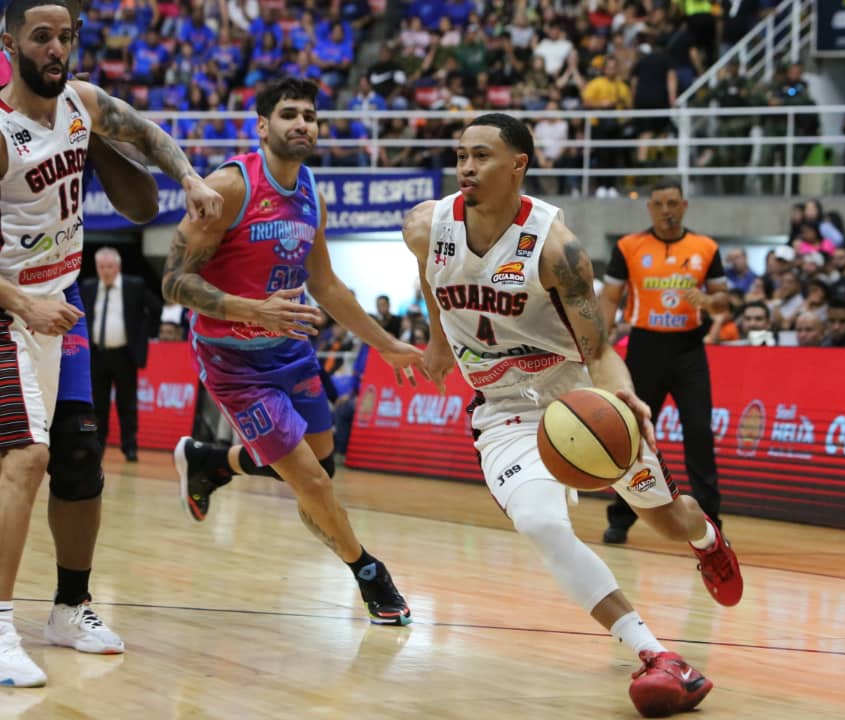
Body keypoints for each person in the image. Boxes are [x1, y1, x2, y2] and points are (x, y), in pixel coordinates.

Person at [403, 113, 742, 718]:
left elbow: (599, 348)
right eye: (460, 156)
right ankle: (659, 656)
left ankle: (707, 539)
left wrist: (628, 400)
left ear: (518, 165)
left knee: (666, 518)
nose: (466, 168)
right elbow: (434, 280)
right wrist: (436, 342)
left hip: (579, 401)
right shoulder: (425, 227)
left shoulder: (556, 249)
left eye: (481, 156)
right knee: (540, 523)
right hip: (504, 413)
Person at [0, 0, 223, 688]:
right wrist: (23, 303)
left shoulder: (82, 104)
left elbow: (149, 135)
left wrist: (188, 176)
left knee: (78, 456)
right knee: (24, 459)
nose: (57, 48)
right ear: (9, 42)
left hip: (57, 305)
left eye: (67, 36)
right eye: (42, 36)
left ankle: (69, 607)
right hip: (9, 308)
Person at [165, 78, 424, 628]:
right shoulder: (230, 187)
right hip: (234, 362)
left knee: (318, 464)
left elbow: (327, 287)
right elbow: (172, 280)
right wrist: (249, 309)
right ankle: (369, 572)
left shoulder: (311, 191)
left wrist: (389, 345)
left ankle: (212, 461)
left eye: (310, 115)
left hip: (291, 350)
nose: (302, 123)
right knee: (313, 483)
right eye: (289, 114)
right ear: (263, 126)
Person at [597, 179, 726, 545]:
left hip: (689, 350)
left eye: (672, 203)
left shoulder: (706, 247)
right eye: (659, 204)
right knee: (633, 435)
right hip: (644, 347)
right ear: (650, 208)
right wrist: (600, 343)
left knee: (699, 432)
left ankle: (709, 519)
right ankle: (621, 517)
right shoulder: (629, 246)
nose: (666, 210)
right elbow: (610, 298)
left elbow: (723, 302)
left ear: (684, 205)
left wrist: (707, 302)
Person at [81, 246, 161, 461]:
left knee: (127, 404)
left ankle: (130, 447)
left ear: (118, 267)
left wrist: (146, 334)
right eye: (101, 267)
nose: (105, 271)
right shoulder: (88, 287)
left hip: (125, 355)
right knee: (97, 405)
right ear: (96, 268)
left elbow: (155, 308)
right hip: (96, 354)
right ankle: (97, 446)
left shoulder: (133, 285)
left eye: (109, 266)